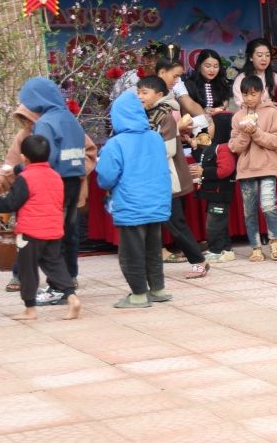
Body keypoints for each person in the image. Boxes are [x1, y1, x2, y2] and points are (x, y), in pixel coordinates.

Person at [0, 78, 91, 282]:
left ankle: (58, 284)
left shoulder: (45, 123)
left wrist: (21, 169)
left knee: (50, 233)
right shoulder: (70, 119)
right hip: (73, 182)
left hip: (52, 184)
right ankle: (69, 276)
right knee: (68, 232)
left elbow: (44, 159)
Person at [0, 136, 81, 320]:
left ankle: (30, 309)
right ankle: (72, 297)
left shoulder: (25, 178)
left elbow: (10, 203)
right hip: (53, 230)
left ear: (24, 157)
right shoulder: (56, 176)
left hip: (30, 232)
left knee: (27, 270)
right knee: (56, 265)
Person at [95, 89, 172, 309]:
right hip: (156, 203)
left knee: (131, 253)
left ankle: (138, 295)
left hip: (131, 206)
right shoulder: (155, 137)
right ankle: (157, 289)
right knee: (153, 249)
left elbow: (106, 177)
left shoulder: (116, 144)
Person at [143, 76, 210, 279]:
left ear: (158, 95)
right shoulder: (149, 114)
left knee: (175, 222)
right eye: (138, 92)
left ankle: (198, 261)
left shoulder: (164, 116)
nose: (140, 96)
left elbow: (169, 150)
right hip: (156, 177)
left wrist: (142, 153)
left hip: (168, 177)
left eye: (144, 92)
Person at [230, 75, 277, 262]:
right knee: (249, 210)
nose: (249, 98)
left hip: (268, 166)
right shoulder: (238, 116)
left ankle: (275, 240)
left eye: (253, 94)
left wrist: (256, 132)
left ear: (262, 93)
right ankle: (255, 247)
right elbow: (234, 147)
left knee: (269, 205)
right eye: (245, 94)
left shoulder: (272, 113)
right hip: (246, 169)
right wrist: (246, 134)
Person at [196, 113, 237, 264]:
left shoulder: (224, 148)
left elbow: (226, 169)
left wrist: (204, 172)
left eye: (211, 124)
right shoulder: (214, 147)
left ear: (220, 127)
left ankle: (216, 251)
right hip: (213, 194)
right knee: (219, 223)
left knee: (214, 224)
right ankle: (226, 250)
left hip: (220, 193)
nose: (208, 128)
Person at [187, 49, 233, 113]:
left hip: (219, 117)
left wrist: (216, 109)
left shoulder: (222, 83)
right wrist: (203, 111)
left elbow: (225, 105)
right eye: (208, 66)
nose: (212, 70)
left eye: (216, 67)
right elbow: (187, 108)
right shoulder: (190, 84)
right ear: (199, 66)